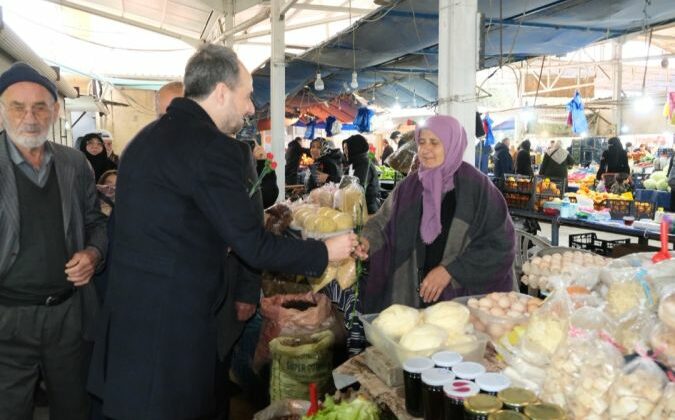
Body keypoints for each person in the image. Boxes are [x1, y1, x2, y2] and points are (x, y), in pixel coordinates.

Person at [87, 44, 359, 420]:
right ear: (220, 91)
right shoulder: (214, 148)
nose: (250, 108)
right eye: (247, 96)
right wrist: (326, 251)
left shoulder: (142, 140)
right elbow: (253, 245)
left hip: (129, 320)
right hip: (174, 328)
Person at [0, 62, 107, 420]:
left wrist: (93, 254)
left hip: (67, 315)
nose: (29, 116)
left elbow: (97, 224)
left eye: (40, 106)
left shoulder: (75, 164)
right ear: (1, 111)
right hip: (7, 318)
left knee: (73, 408)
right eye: (17, 106)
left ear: (55, 111)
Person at [358, 115, 515, 313]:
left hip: (462, 300)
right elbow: (382, 223)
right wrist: (367, 241)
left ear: (452, 144)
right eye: (421, 142)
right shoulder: (409, 187)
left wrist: (451, 270)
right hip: (414, 295)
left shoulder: (477, 188)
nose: (425, 149)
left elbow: (501, 243)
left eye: (434, 142)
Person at [343, 134, 381, 214]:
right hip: (360, 209)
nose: (344, 151)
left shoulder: (364, 165)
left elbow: (358, 191)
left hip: (367, 211)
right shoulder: (356, 163)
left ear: (354, 148)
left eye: (346, 148)